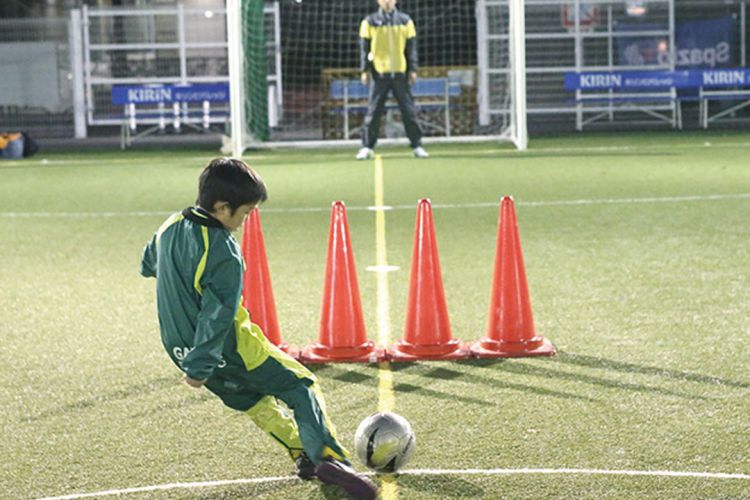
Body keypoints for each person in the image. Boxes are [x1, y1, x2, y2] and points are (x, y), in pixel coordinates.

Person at [140, 158, 378, 500]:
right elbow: (217, 314)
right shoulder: (223, 250)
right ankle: (328, 457)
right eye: (246, 212)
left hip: (178, 348)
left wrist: (193, 359)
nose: (246, 220)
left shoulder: (168, 226)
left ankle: (301, 451)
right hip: (230, 349)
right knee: (300, 385)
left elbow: (148, 264)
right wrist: (201, 365)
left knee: (254, 403)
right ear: (223, 208)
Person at [356, 0, 429, 160]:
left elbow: (411, 48)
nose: (387, 1)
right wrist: (364, 70)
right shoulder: (369, 22)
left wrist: (413, 69)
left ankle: (417, 145)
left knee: (409, 111)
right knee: (373, 111)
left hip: (400, 74)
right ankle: (367, 147)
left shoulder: (405, 21)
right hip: (379, 73)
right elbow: (364, 49)